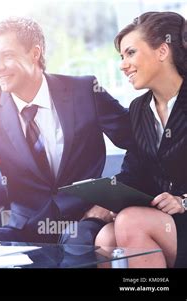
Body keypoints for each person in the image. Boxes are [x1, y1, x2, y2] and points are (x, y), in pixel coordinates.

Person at [0, 16, 133, 249]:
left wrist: (112, 198)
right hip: (26, 229)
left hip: (85, 220)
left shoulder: (84, 91)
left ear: (35, 53)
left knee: (76, 243)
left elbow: (137, 140)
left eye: (7, 55)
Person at [95, 11, 187, 268]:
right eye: (121, 56)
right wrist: (108, 197)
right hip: (164, 219)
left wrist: (183, 201)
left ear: (162, 51)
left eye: (131, 53)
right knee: (106, 237)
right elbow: (133, 170)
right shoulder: (139, 109)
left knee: (131, 221)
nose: (123, 64)